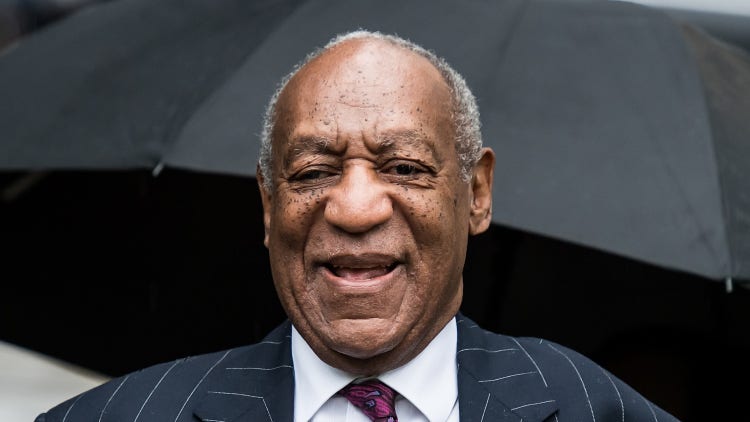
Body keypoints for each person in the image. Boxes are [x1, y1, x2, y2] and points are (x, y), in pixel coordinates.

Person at [36, 30, 679, 422]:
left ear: (477, 194)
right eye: (314, 172)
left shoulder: (598, 410)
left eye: (403, 167)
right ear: (268, 205)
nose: (354, 208)